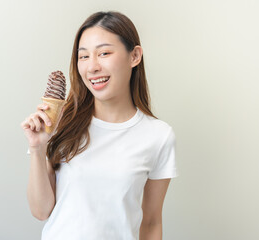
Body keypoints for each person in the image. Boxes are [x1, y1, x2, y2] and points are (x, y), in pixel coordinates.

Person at [21, 10, 178, 240]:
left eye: (104, 53)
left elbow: (152, 222)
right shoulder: (61, 122)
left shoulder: (158, 136)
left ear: (134, 56)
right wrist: (37, 148)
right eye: (83, 56)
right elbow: (41, 210)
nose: (92, 67)